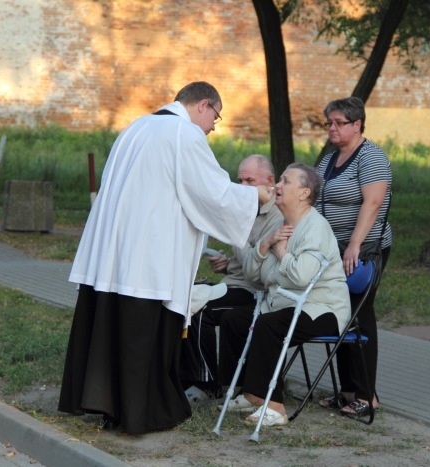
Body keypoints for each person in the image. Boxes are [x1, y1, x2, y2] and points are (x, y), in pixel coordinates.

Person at [57, 81, 273, 435]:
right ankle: (138, 413)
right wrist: (257, 198)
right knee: (140, 335)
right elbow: (213, 194)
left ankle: (107, 406)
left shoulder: (136, 127)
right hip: (147, 258)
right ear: (204, 105)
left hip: (113, 253)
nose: (213, 128)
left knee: (110, 330)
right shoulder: (184, 135)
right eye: (215, 118)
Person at [219, 163, 351, 426]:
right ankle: (248, 392)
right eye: (279, 180)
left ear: (304, 193)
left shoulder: (315, 227)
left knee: (269, 326)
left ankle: (275, 406)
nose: (277, 186)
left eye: (285, 181)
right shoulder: (280, 225)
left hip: (322, 309)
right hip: (283, 304)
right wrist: (265, 244)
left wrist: (281, 254)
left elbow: (302, 277)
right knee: (234, 320)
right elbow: (254, 275)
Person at [180, 154, 284, 403]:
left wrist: (236, 227)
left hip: (256, 291)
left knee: (200, 309)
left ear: (269, 181)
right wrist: (227, 266)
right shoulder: (247, 209)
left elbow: (258, 272)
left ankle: (207, 384)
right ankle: (184, 376)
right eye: (240, 181)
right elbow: (244, 261)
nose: (243, 188)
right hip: (235, 283)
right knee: (182, 298)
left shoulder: (277, 217)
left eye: (250, 181)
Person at [314, 96, 392, 418]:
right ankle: (346, 391)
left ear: (357, 124)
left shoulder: (370, 157)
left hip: (363, 251)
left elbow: (372, 204)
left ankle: (366, 394)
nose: (332, 128)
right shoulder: (329, 159)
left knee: (360, 315)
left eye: (339, 123)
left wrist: (354, 245)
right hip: (333, 253)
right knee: (340, 313)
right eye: (329, 122)